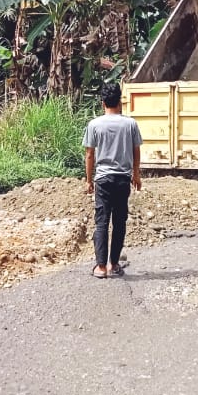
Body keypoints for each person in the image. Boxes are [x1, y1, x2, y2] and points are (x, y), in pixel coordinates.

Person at [83, 82, 143, 278]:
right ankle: (114, 264)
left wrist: (89, 180)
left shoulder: (94, 124)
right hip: (123, 179)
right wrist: (136, 174)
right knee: (119, 222)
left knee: (101, 222)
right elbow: (136, 151)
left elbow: (90, 154)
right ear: (120, 101)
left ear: (103, 103)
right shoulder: (130, 124)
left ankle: (100, 267)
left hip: (103, 179)